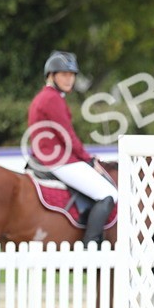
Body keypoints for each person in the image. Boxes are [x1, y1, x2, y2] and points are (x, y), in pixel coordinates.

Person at [26, 50, 117, 246]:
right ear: (51, 75)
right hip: (58, 161)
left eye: (72, 75)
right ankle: (91, 246)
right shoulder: (51, 99)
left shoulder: (45, 97)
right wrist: (89, 159)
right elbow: (67, 136)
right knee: (108, 194)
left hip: (47, 158)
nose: (69, 79)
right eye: (64, 74)